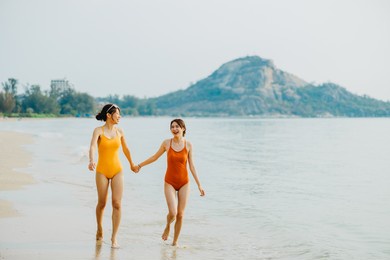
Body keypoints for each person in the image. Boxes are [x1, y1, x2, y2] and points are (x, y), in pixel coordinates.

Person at [137, 118, 205, 246]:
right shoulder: (166, 143)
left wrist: (199, 185)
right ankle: (168, 225)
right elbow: (154, 157)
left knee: (180, 215)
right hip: (169, 182)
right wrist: (140, 165)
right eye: (172, 127)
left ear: (183, 129)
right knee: (173, 213)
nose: (174, 129)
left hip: (185, 182)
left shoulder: (189, 145)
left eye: (177, 126)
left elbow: (192, 166)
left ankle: (175, 243)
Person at [88, 103, 138, 249]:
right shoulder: (98, 130)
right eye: (117, 114)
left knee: (117, 203)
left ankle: (114, 238)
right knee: (102, 203)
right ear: (109, 115)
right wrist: (91, 160)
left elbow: (126, 149)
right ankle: (99, 228)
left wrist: (132, 164)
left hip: (117, 170)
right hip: (102, 171)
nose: (120, 116)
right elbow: (92, 146)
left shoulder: (120, 131)